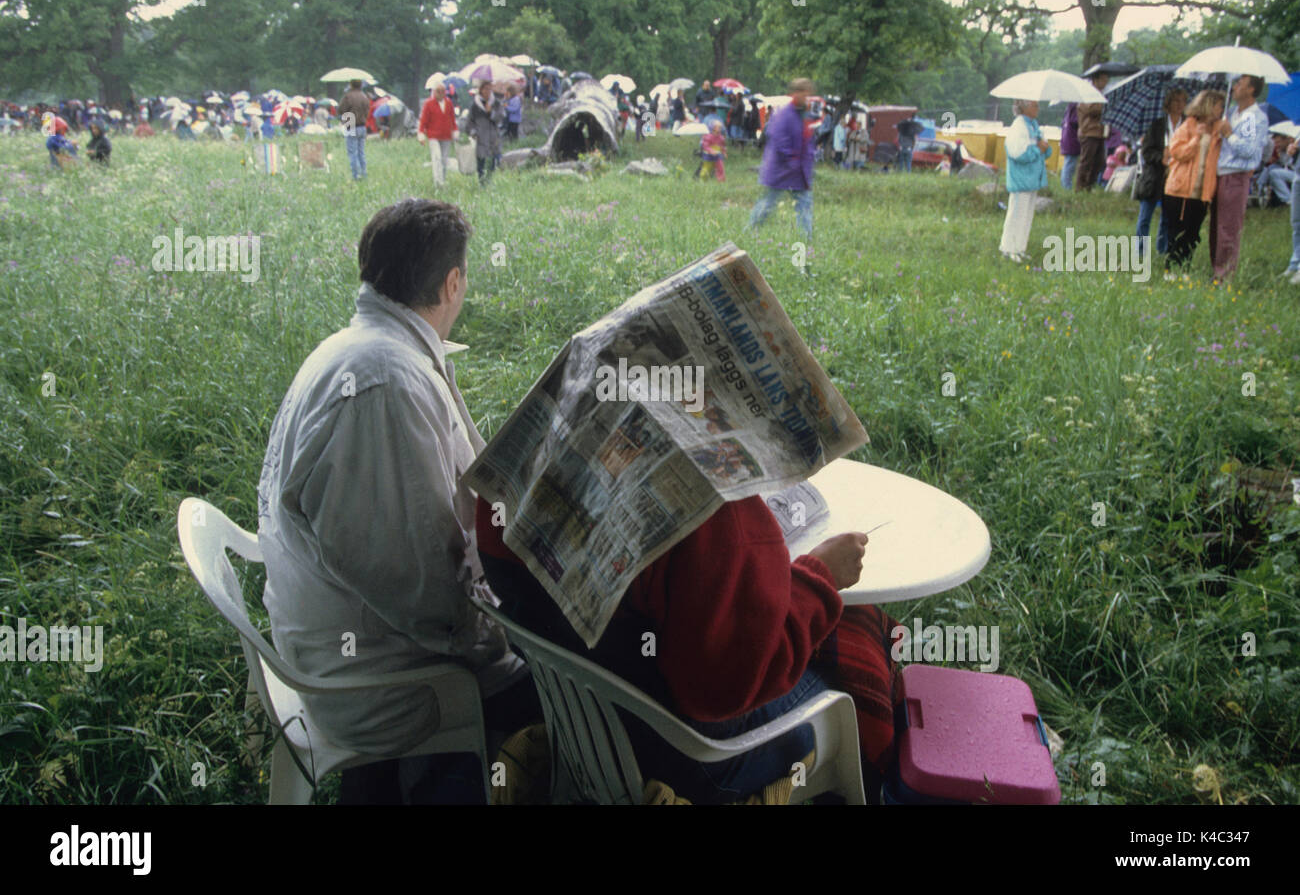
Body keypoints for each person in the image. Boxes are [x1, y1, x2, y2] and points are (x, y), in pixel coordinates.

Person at [258, 200, 535, 804]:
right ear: (452, 282)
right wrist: (513, 647)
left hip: (339, 637)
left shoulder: (360, 351)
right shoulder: (384, 385)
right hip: (372, 680)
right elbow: (423, 592)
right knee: (589, 690)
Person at [477, 489, 904, 803]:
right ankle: (877, 778)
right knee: (856, 656)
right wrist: (818, 576)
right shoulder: (716, 515)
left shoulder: (519, 479)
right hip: (695, 759)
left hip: (587, 726)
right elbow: (723, 688)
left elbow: (502, 570)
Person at [1209, 75, 1271, 280]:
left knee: (1228, 227)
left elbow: (1248, 150)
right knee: (1216, 227)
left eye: (1240, 84)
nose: (1235, 87)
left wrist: (1229, 135)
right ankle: (1215, 268)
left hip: (1235, 175)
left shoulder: (1252, 118)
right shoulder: (1233, 112)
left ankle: (1224, 275)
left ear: (1251, 89)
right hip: (1220, 173)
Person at [1162, 89, 1226, 276]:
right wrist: (1196, 138)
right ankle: (1170, 269)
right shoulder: (1188, 126)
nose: (1221, 110)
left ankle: (1185, 268)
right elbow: (1178, 153)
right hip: (1180, 189)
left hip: (1203, 191)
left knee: (1193, 233)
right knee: (1176, 231)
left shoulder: (1218, 130)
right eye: (1218, 106)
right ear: (1208, 105)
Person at [748, 78, 817, 240]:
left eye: (808, 93)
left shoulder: (806, 115)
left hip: (800, 172)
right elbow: (777, 138)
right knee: (767, 204)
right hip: (781, 169)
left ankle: (807, 240)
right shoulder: (783, 114)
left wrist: (810, 156)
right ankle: (750, 231)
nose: (806, 96)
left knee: (805, 205)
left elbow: (808, 141)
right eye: (803, 92)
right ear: (794, 93)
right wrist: (790, 158)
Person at [1134, 89, 1187, 258]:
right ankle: (1140, 252)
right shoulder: (1157, 125)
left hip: (1175, 177)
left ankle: (1162, 249)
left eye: (1183, 101)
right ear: (1168, 103)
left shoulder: (1187, 125)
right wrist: (1160, 157)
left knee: (1168, 217)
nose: (1179, 105)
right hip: (1154, 177)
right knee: (1145, 216)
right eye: (1176, 101)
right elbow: (1146, 151)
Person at [999, 99, 1051, 263]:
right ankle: (1009, 248)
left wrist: (1044, 148)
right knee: (1016, 215)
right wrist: (1038, 149)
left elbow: (1046, 151)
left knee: (1026, 216)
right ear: (1025, 107)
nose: (1038, 108)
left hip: (1032, 178)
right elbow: (1018, 153)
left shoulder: (1034, 125)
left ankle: (1020, 248)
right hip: (1021, 178)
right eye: (1035, 105)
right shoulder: (1018, 127)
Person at [1074, 71, 1110, 191]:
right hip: (1088, 131)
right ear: (1096, 80)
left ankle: (1089, 185)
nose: (1106, 83)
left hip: (1099, 132)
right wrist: (1105, 106)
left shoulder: (1101, 94)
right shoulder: (1088, 93)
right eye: (1104, 79)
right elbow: (1090, 109)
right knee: (1086, 160)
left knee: (1099, 161)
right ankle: (1080, 187)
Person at [419, 81, 458, 187]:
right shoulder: (428, 103)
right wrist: (421, 134)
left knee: (444, 160)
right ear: (433, 92)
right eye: (438, 91)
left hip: (446, 135)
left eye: (442, 91)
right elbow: (423, 121)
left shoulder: (449, 103)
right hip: (433, 136)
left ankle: (443, 179)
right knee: (437, 158)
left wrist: (455, 131)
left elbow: (452, 119)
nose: (440, 93)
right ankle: (438, 182)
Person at [467, 81, 501, 185]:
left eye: (490, 89)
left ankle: (489, 179)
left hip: (493, 136)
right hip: (480, 136)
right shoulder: (475, 105)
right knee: (481, 160)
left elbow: (500, 118)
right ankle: (481, 180)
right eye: (485, 89)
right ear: (481, 90)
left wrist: (491, 112)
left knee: (493, 159)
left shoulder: (496, 103)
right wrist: (473, 132)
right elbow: (470, 121)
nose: (488, 91)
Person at [340, 79, 370, 180]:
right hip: (362, 126)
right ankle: (364, 173)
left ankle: (356, 176)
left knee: (352, 152)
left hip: (351, 124)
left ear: (351, 84)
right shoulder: (364, 96)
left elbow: (340, 109)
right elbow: (367, 110)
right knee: (361, 152)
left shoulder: (348, 96)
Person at [1280, 137, 1300, 284]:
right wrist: (1293, 153)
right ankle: (1295, 263)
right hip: (1298, 177)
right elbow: (1291, 163)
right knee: (1296, 223)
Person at [1059, 103, 1080, 189]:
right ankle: (1066, 186)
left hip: (1067, 140)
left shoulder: (1068, 110)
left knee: (1068, 163)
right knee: (1070, 164)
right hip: (1072, 141)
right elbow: (1076, 122)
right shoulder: (1075, 108)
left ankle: (1066, 185)